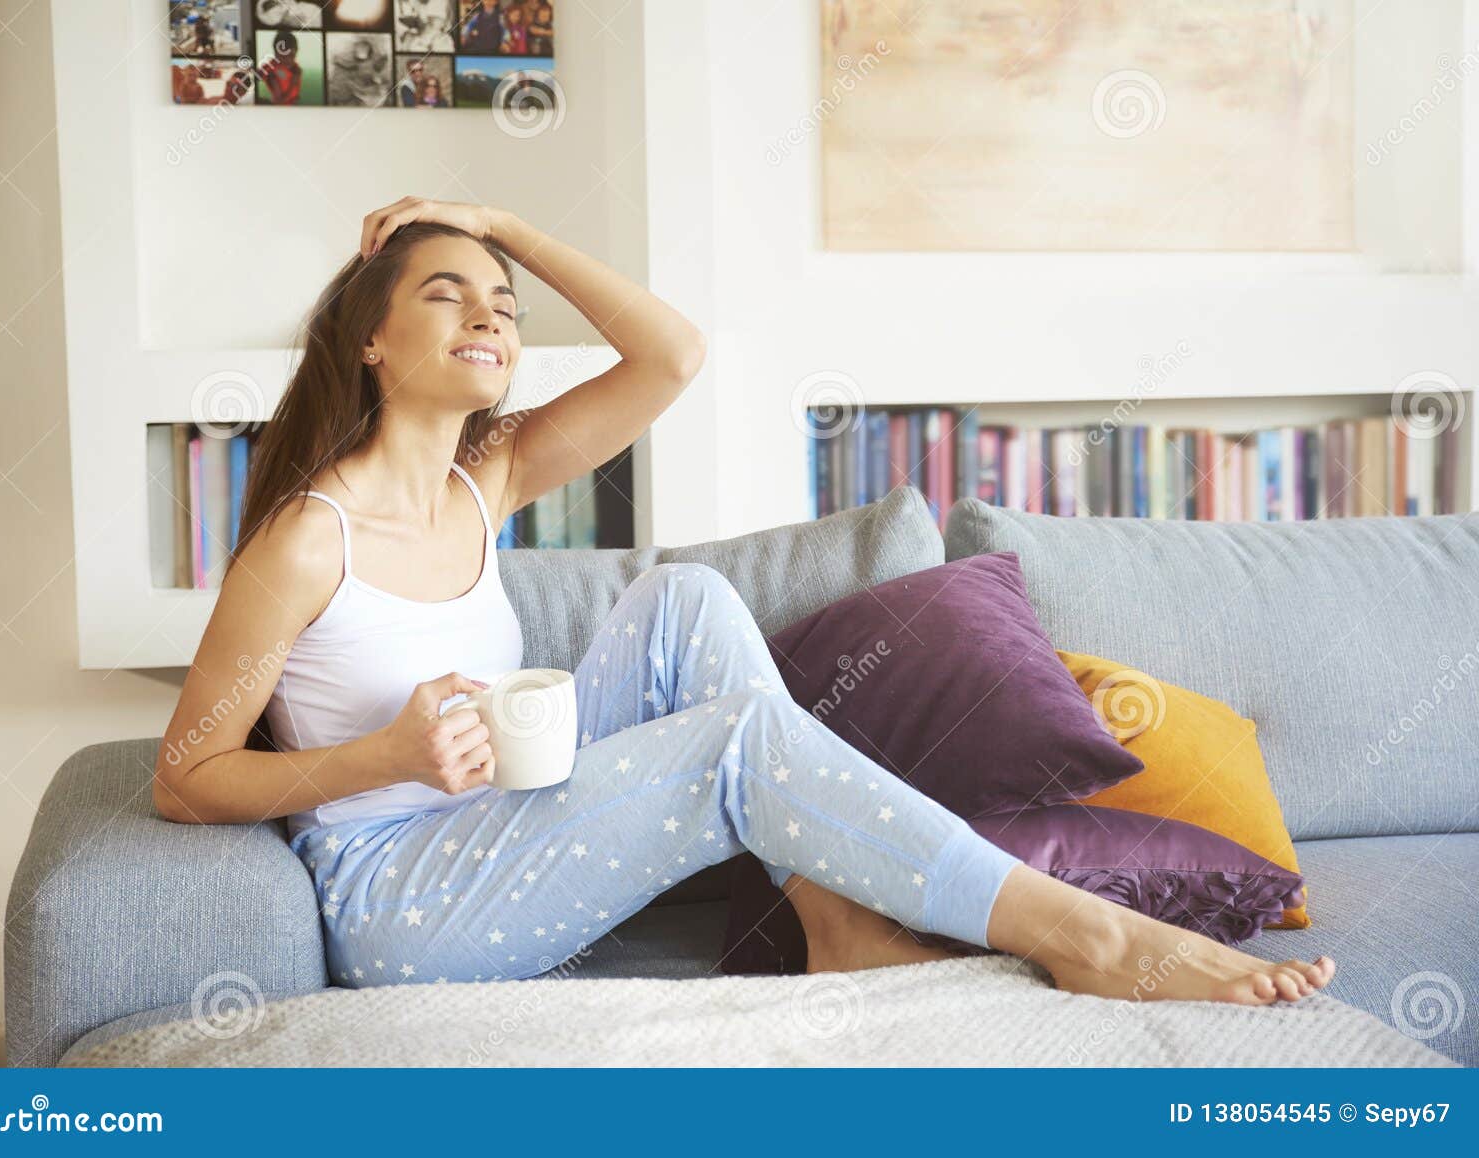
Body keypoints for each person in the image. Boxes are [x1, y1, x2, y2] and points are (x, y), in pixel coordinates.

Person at [154, 195, 1335, 1004]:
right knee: (727, 744)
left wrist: (497, 222)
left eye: (504, 304)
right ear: (368, 338)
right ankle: (1087, 931)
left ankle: (838, 927)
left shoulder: (486, 477)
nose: (490, 316)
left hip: (501, 824)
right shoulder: (307, 541)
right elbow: (187, 778)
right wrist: (386, 755)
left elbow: (668, 353)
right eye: (448, 294)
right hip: (403, 899)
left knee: (685, 601)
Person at [258, 30, 304, 105]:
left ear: (296, 52)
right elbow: (257, 75)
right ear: (275, 53)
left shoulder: (296, 69)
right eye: (283, 57)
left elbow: (293, 95)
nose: (288, 60)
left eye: (291, 55)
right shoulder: (271, 67)